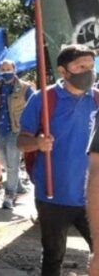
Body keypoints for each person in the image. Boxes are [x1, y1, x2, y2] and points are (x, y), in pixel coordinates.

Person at [19, 44, 97, 276]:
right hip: (53, 195)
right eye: (80, 66)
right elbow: (21, 141)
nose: (88, 71)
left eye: (91, 66)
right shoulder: (43, 99)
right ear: (63, 71)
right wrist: (38, 143)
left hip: (92, 196)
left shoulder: (97, 99)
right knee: (53, 256)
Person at [0, 59, 33, 210]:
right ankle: (19, 186)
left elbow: (35, 104)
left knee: (12, 164)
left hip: (16, 130)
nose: (5, 71)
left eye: (8, 68)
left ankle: (9, 195)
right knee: (5, 162)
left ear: (14, 69)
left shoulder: (25, 87)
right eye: (3, 68)